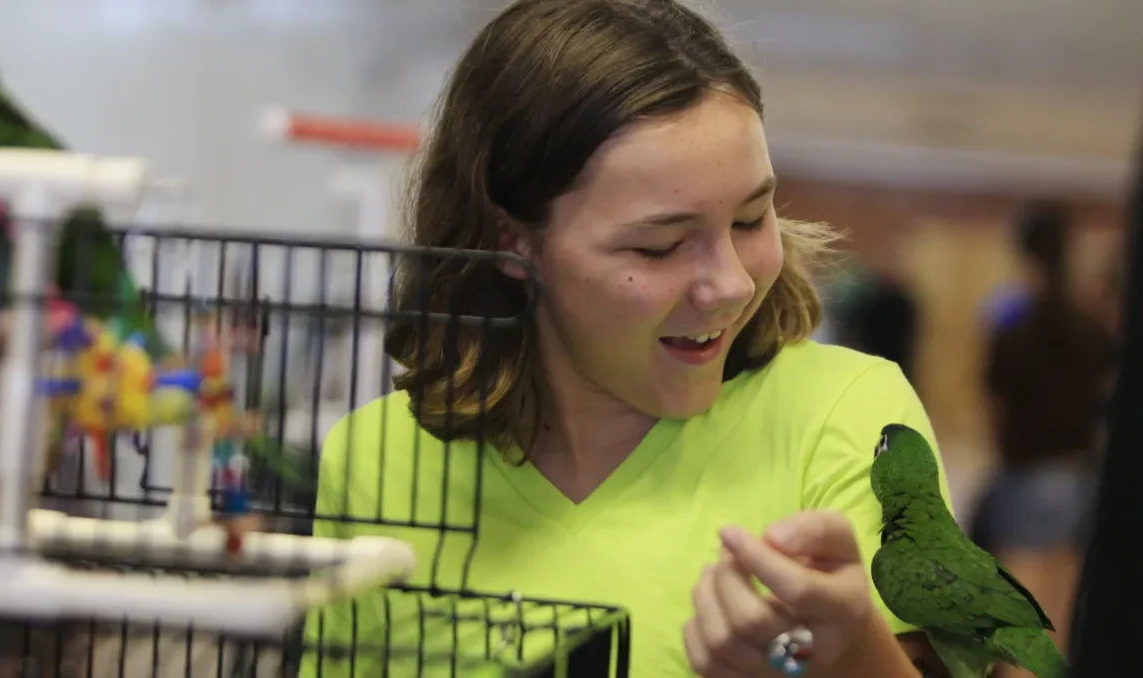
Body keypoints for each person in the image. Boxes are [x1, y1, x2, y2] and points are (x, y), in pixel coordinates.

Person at [301, 1, 953, 676]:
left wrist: (850, 651)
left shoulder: (845, 417)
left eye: (751, 219)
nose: (730, 284)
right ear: (511, 240)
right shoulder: (375, 459)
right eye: (659, 246)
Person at [973, 199, 1116, 677]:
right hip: (1078, 473)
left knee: (1019, 609)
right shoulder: (1088, 323)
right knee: (1061, 605)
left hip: (1029, 471)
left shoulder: (1012, 319)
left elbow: (996, 402)